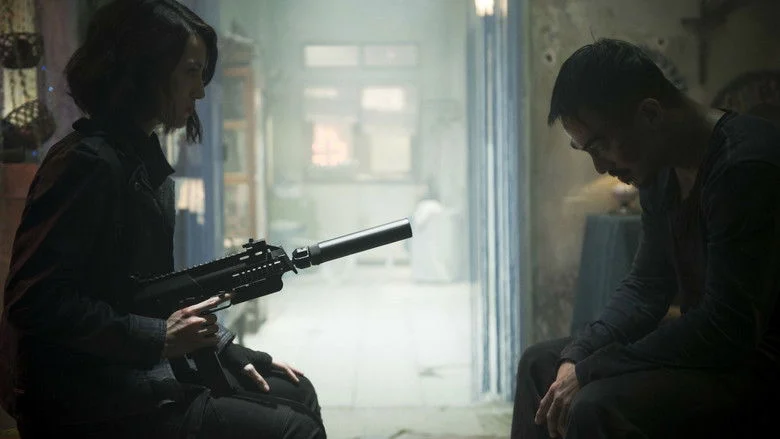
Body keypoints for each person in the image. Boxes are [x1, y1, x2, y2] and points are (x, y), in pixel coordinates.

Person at [0, 1, 325, 438]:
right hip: (84, 399)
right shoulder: (87, 163)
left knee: (297, 390)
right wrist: (158, 338)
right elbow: (33, 302)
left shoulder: (136, 160)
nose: (200, 91)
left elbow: (146, 295)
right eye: (191, 72)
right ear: (145, 70)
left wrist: (226, 348)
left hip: (127, 373)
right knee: (295, 430)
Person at [511, 38, 780, 439]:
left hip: (753, 364)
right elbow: (647, 286)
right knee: (540, 366)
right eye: (587, 151)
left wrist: (592, 370)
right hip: (712, 354)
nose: (600, 167)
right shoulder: (659, 171)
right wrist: (579, 355)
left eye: (601, 145)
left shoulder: (744, 164)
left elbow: (728, 327)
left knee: (595, 405)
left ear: (650, 114)